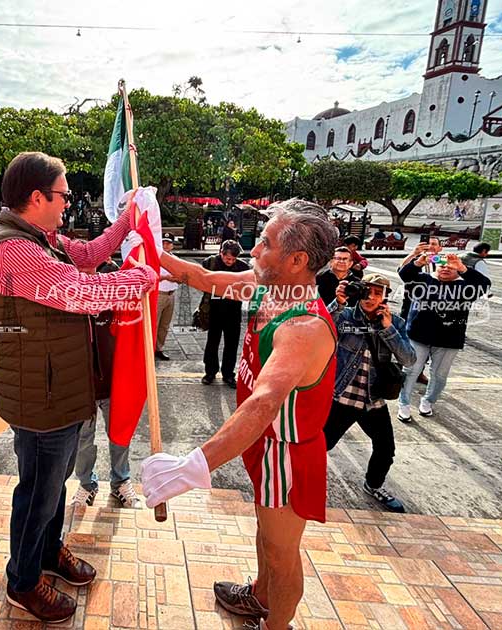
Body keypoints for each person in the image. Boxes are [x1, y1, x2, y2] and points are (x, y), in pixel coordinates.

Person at [0, 152, 156, 623]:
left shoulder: (41, 239)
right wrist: (140, 278)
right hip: (42, 395)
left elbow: (90, 256)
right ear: (36, 197)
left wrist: (125, 224)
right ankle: (23, 579)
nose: (67, 204)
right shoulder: (15, 250)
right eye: (63, 196)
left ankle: (49, 554)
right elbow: (83, 290)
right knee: (39, 491)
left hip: (58, 386)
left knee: (53, 486)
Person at [143, 199, 338, 630]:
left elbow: (263, 403)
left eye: (264, 243)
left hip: (286, 453)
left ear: (297, 260)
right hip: (264, 445)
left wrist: (194, 465)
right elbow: (203, 277)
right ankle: (260, 596)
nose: (252, 250)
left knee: (282, 552)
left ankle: (277, 624)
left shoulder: (302, 327)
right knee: (266, 535)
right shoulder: (270, 287)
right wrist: (145, 238)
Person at [324, 274, 416, 512]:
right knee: (321, 444)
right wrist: (338, 303)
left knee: (386, 449)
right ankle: (294, 479)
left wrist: (387, 330)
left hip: (372, 400)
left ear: (385, 296)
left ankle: (373, 485)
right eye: (367, 292)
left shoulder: (393, 321)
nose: (371, 298)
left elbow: (409, 359)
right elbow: (319, 330)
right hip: (342, 396)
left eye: (378, 293)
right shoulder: (345, 315)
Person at [71, 257, 141, 509]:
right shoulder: (71, 304)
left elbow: (141, 285)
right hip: (82, 388)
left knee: (120, 437)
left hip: (116, 385)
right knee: (83, 440)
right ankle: (86, 484)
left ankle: (121, 481)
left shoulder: (121, 307)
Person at [396, 251, 491, 422]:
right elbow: (404, 274)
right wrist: (418, 262)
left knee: (439, 375)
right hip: (418, 335)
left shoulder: (466, 287)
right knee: (411, 370)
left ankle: (428, 401)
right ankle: (404, 403)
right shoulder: (423, 279)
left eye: (451, 266)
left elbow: (484, 284)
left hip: (449, 338)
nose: (445, 268)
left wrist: (462, 268)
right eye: (442, 265)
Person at [200, 240, 250, 388]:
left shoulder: (243, 267)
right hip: (214, 309)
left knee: (232, 344)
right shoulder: (210, 263)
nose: (230, 261)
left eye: (233, 259)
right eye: (228, 258)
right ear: (221, 253)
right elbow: (201, 281)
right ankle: (210, 372)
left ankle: (228, 374)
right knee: (212, 342)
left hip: (234, 310)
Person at [397, 237, 441, 319]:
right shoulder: (415, 261)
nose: (430, 246)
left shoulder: (441, 263)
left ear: (440, 248)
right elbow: (401, 270)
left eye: (434, 244)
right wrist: (414, 254)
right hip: (411, 307)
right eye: (428, 244)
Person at [155, 237, 178, 361]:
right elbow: (150, 275)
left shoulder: (175, 260)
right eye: (163, 242)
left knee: (164, 324)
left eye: (168, 243)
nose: (165, 245)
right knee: (155, 323)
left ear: (172, 246)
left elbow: (182, 276)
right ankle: (149, 348)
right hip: (159, 293)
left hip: (171, 294)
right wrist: (165, 277)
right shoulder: (155, 257)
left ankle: (159, 348)